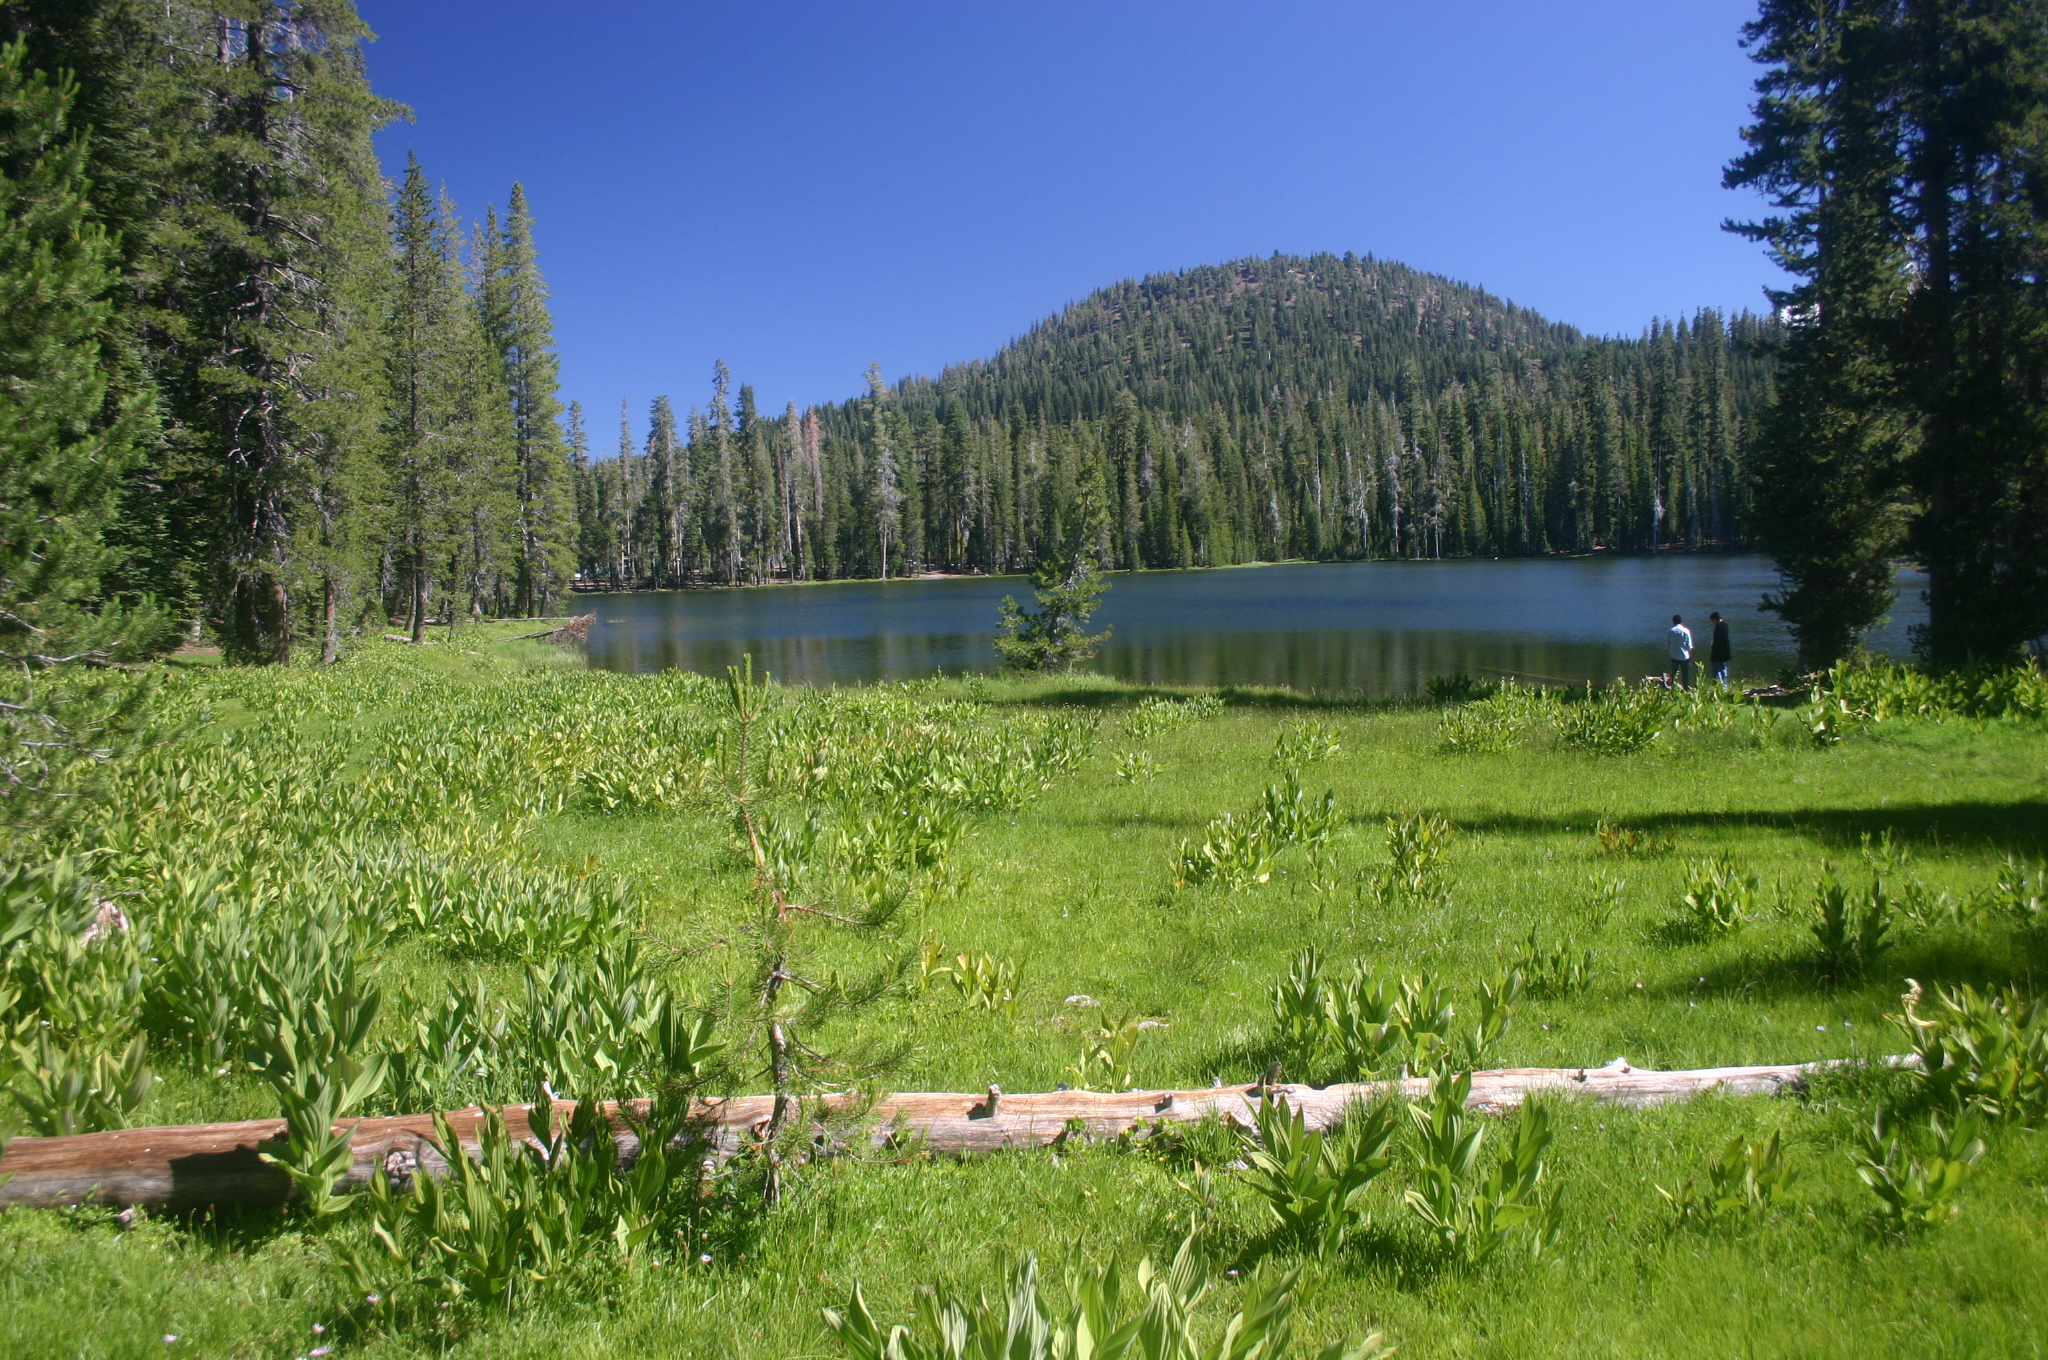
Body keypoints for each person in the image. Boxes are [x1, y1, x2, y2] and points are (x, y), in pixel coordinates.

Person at [1666, 614, 1694, 690]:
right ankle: (1686, 689)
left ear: (1673, 621)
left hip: (1674, 656)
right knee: (1685, 675)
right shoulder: (1686, 631)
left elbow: (1668, 644)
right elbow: (1689, 646)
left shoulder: (1670, 631)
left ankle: (1672, 688)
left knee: (1674, 674)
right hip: (1684, 656)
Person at [1709, 610, 1731, 689]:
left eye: (1713, 620)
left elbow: (1716, 640)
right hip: (1724, 652)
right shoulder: (1725, 625)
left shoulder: (1718, 627)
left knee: (1716, 670)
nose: (1713, 622)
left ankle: (1719, 686)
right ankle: (1725, 686)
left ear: (1715, 619)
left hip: (1717, 653)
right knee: (1723, 668)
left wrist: (1712, 648)